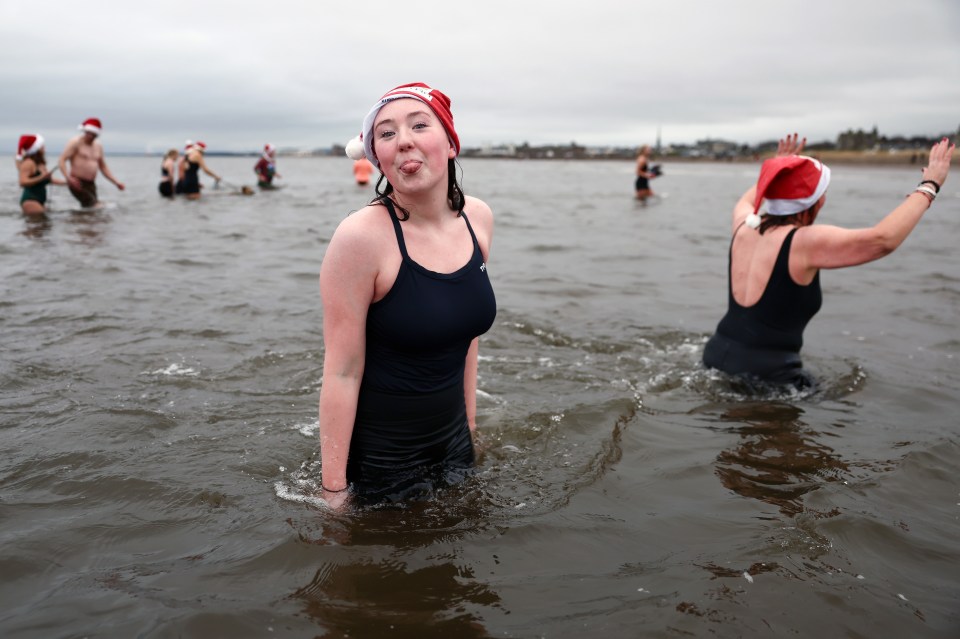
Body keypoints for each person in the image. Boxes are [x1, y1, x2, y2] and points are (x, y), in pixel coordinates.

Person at [318, 82, 497, 505]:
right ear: (375, 155)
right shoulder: (360, 237)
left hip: (453, 442)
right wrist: (332, 491)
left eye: (419, 124)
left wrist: (470, 428)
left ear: (451, 143)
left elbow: (465, 335)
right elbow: (341, 371)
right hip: (381, 458)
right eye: (386, 133)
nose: (404, 141)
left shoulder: (478, 218)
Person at [703, 133, 954, 389]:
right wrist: (930, 184)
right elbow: (882, 240)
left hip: (714, 356)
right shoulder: (804, 242)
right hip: (769, 376)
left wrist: (779, 167)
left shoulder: (744, 225)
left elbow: (746, 200)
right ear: (815, 202)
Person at [58, 118, 125, 208]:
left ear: (96, 135)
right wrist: (68, 178)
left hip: (91, 184)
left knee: (90, 211)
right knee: (94, 206)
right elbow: (61, 160)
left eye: (92, 134)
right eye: (87, 133)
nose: (89, 136)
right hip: (77, 182)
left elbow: (103, 167)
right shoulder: (75, 142)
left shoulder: (98, 146)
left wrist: (116, 182)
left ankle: (77, 221)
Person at [16, 134, 65, 215]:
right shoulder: (28, 163)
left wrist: (67, 182)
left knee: (45, 225)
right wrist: (41, 177)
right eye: (42, 146)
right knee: (40, 225)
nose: (44, 148)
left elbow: (50, 180)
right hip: (30, 200)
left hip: (40, 201)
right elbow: (22, 182)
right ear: (36, 148)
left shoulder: (40, 164)